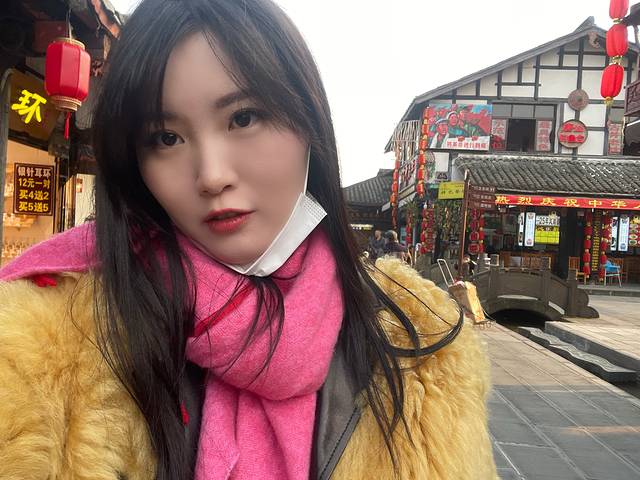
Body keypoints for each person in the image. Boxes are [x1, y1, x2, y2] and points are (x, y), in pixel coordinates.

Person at [0, 1, 496, 479]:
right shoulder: (44, 345)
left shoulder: (425, 347)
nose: (212, 176)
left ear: (309, 122)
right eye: (166, 138)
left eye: (242, 118)